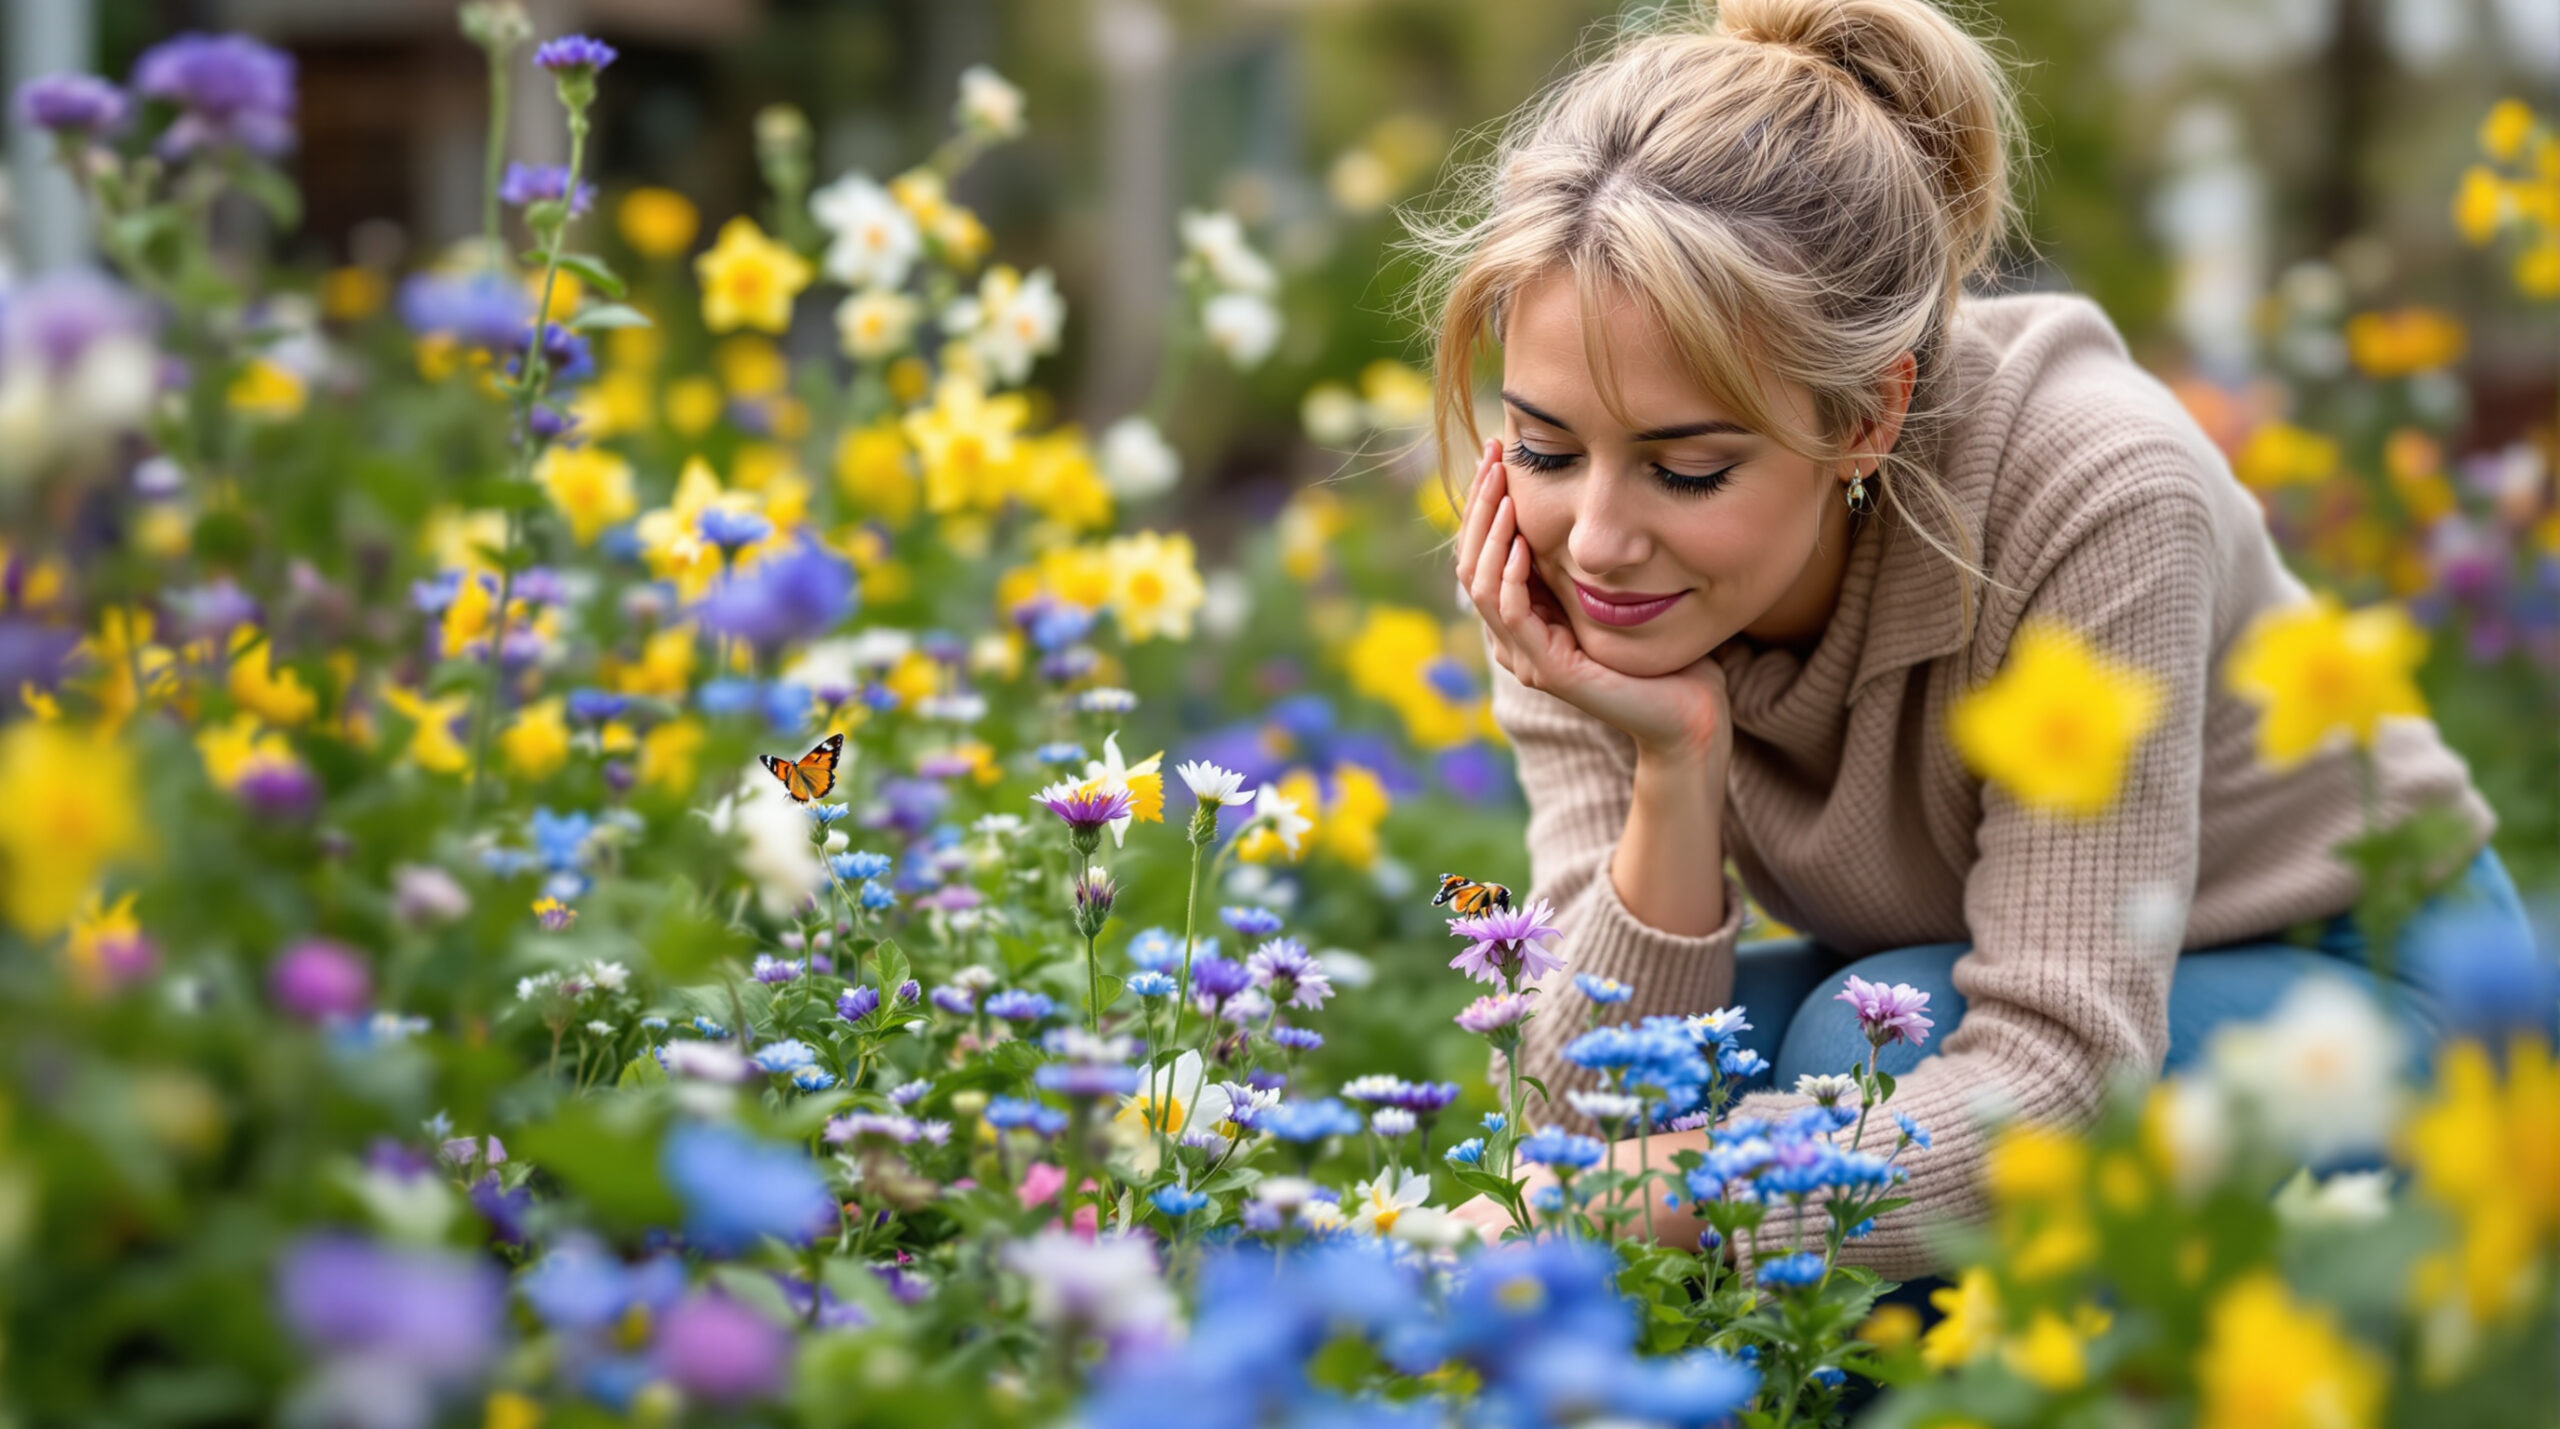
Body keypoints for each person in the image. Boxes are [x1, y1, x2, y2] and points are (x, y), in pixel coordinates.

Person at [1419, 0, 2526, 1274]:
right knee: (1712, 1081)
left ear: (1865, 417)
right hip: (1971, 970)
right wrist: (1673, 770)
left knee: (1856, 1056)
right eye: (1549, 446)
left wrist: (1616, 1200)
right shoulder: (1562, 572)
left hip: (2369, 987)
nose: (1597, 538)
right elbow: (1589, 1104)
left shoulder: (2093, 491)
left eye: (1689, 470)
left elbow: (2055, 1081)